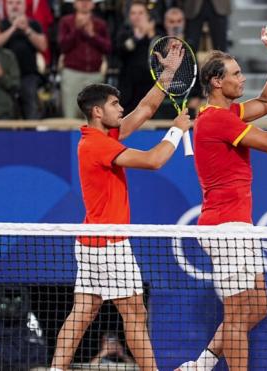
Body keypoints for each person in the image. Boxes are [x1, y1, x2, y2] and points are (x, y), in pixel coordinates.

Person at [50, 44, 190, 371]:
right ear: (97, 112)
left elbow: (145, 108)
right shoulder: (97, 145)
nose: (120, 107)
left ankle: (56, 369)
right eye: (114, 104)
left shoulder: (101, 136)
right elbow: (154, 160)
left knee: (82, 312)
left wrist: (168, 74)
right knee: (135, 314)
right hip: (110, 245)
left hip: (90, 242)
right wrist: (177, 130)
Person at [176, 25, 267, 371]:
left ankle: (199, 366)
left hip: (239, 226)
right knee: (235, 315)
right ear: (217, 82)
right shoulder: (217, 122)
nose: (242, 78)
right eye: (236, 74)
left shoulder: (225, 114)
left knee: (258, 305)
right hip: (224, 229)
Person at [58, 0, 111, 119]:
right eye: (80, 0)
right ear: (74, 4)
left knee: (94, 118)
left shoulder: (100, 24)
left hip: (94, 74)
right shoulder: (66, 22)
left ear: (93, 4)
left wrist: (92, 35)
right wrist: (77, 30)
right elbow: (62, 46)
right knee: (70, 116)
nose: (84, 3)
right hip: (72, 74)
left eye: (88, 1)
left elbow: (107, 48)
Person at [0, 0, 47, 119]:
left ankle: (32, 137)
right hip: (4, 77)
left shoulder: (34, 24)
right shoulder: (0, 25)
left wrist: (27, 30)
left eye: (18, 3)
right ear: (6, 6)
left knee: (31, 111)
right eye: (10, 3)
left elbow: (43, 46)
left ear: (24, 6)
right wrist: (13, 27)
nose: (14, 6)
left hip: (28, 76)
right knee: (7, 113)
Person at [115, 0, 159, 115]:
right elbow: (121, 51)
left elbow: (161, 55)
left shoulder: (157, 34)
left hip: (150, 87)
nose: (137, 16)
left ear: (147, 15)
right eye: (133, 13)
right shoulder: (124, 33)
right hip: (128, 89)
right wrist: (138, 36)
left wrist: (150, 35)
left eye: (140, 13)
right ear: (129, 16)